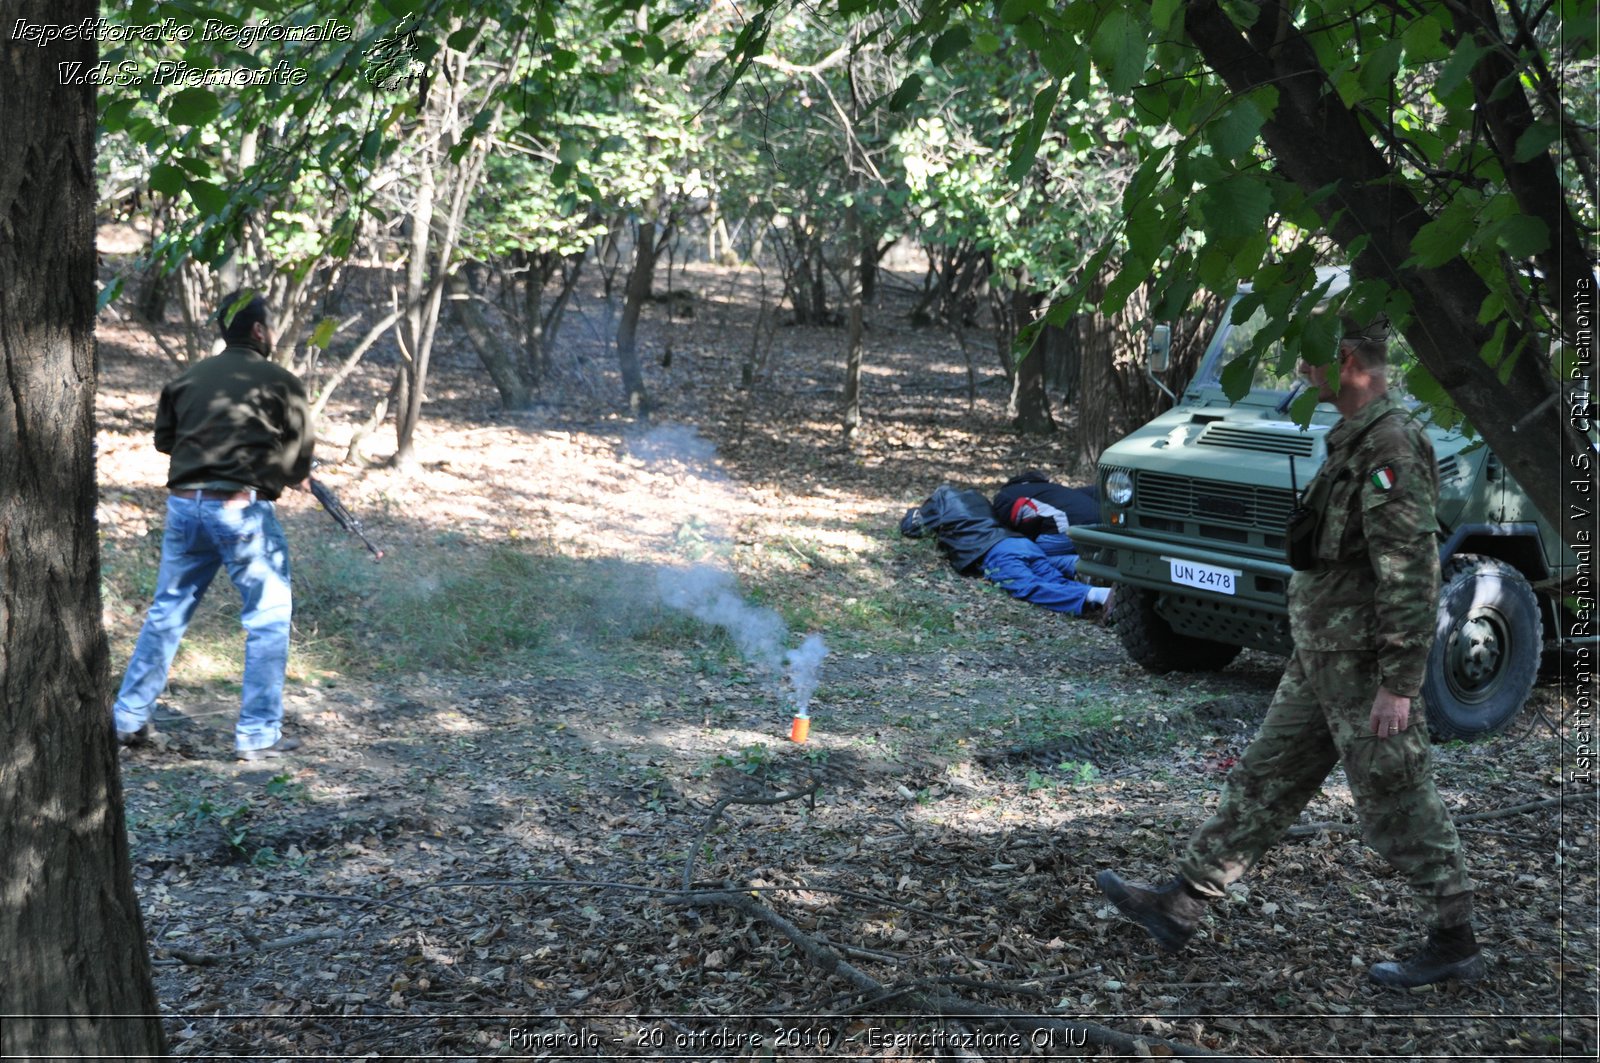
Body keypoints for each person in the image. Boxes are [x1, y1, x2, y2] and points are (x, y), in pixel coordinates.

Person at [1094, 314, 1481, 988]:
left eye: (1313, 358)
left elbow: (1411, 569)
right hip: (1320, 658)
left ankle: (1455, 939)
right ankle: (1180, 905)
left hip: (1363, 666)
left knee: (1399, 800)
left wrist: (1398, 680)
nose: (1301, 369)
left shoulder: (1389, 444)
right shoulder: (1351, 437)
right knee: (1263, 780)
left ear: (1353, 361)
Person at [112, 291, 315, 762]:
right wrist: (277, 468)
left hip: (185, 508)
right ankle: (258, 735)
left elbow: (166, 442)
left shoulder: (187, 378)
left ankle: (127, 718)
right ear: (260, 332)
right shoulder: (282, 381)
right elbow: (297, 460)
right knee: (267, 619)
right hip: (241, 510)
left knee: (167, 612)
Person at [900, 485, 1111, 619]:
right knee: (1051, 576)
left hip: (994, 550)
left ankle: (1098, 595)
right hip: (1020, 543)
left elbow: (912, 526)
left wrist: (914, 513)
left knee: (1027, 586)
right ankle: (1100, 601)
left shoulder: (942, 499)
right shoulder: (977, 498)